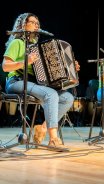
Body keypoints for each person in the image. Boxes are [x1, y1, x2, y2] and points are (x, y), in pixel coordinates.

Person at [2, 12, 80, 148]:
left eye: (37, 23)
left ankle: (42, 128)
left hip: (33, 82)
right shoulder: (17, 43)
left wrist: (70, 66)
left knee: (67, 97)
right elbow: (5, 67)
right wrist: (27, 61)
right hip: (16, 81)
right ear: (23, 25)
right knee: (51, 94)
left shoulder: (37, 47)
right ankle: (53, 139)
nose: (36, 25)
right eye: (32, 22)